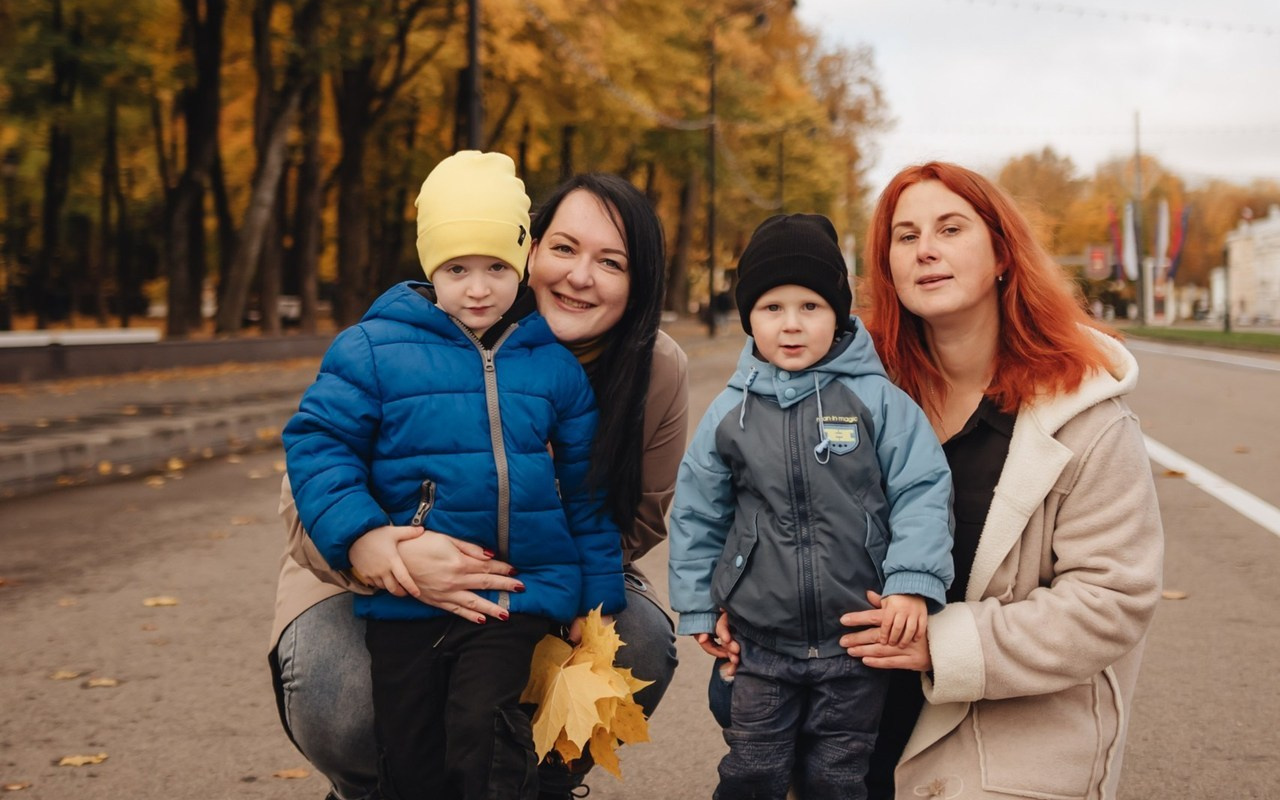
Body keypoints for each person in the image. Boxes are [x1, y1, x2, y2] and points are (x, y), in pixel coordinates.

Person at [270, 171, 690, 800]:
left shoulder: (641, 367)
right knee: (367, 711)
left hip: (533, 581)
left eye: (612, 261)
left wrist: (572, 590)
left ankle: (540, 784)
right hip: (382, 574)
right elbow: (312, 477)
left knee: (625, 647)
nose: (581, 276)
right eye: (565, 248)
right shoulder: (391, 345)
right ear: (534, 248)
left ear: (641, 280)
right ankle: (368, 787)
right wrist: (384, 551)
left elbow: (627, 516)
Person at [839, 161, 1163, 800]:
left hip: (1008, 729)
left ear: (1001, 256)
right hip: (855, 705)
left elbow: (1111, 600)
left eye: (950, 228)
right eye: (905, 237)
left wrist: (943, 645)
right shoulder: (854, 398)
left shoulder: (1087, 418)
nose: (925, 249)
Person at [669, 213, 954, 800]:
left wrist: (912, 581)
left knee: (839, 773)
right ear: (749, 315)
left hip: (856, 636)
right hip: (762, 639)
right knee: (753, 768)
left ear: (840, 314)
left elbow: (922, 489)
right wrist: (701, 606)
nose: (791, 325)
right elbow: (699, 511)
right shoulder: (731, 412)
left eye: (811, 307)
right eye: (773, 308)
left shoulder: (876, 399)